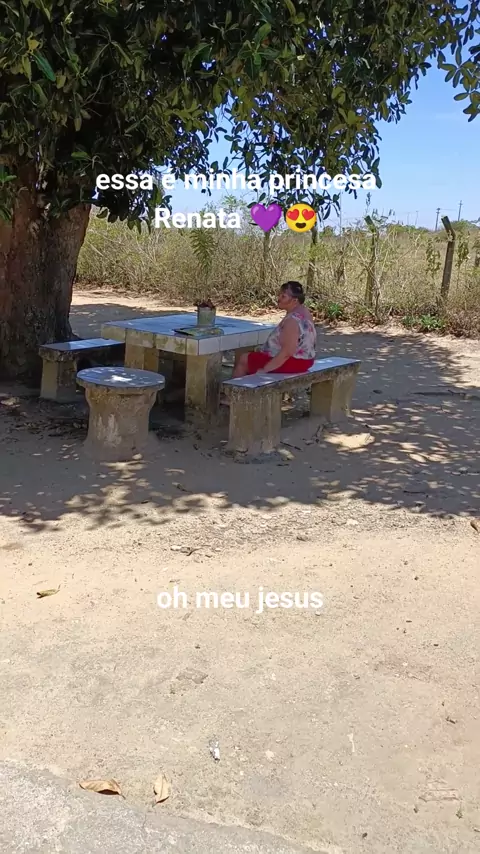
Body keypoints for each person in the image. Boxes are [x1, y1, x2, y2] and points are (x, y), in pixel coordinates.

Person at [232, 281, 316, 378]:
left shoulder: (292, 321)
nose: (278, 298)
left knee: (244, 359)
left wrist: (265, 369)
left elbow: (287, 352)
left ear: (295, 300)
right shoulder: (305, 312)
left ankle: (235, 387)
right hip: (306, 360)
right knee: (251, 353)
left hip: (293, 362)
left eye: (283, 296)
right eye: (279, 295)